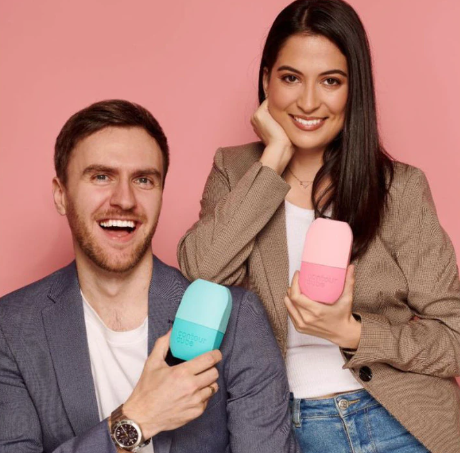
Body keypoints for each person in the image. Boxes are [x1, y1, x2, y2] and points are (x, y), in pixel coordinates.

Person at [177, 1, 460, 452]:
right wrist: (272, 159)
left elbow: (454, 335)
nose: (309, 102)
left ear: (354, 88)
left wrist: (353, 332)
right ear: (266, 80)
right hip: (279, 427)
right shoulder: (236, 171)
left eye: (331, 81)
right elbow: (203, 271)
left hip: (398, 419)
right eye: (291, 78)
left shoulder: (399, 188)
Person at [0, 99, 299, 453]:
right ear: (61, 195)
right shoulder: (11, 329)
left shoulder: (238, 319)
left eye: (143, 180)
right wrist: (138, 419)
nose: (125, 200)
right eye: (101, 176)